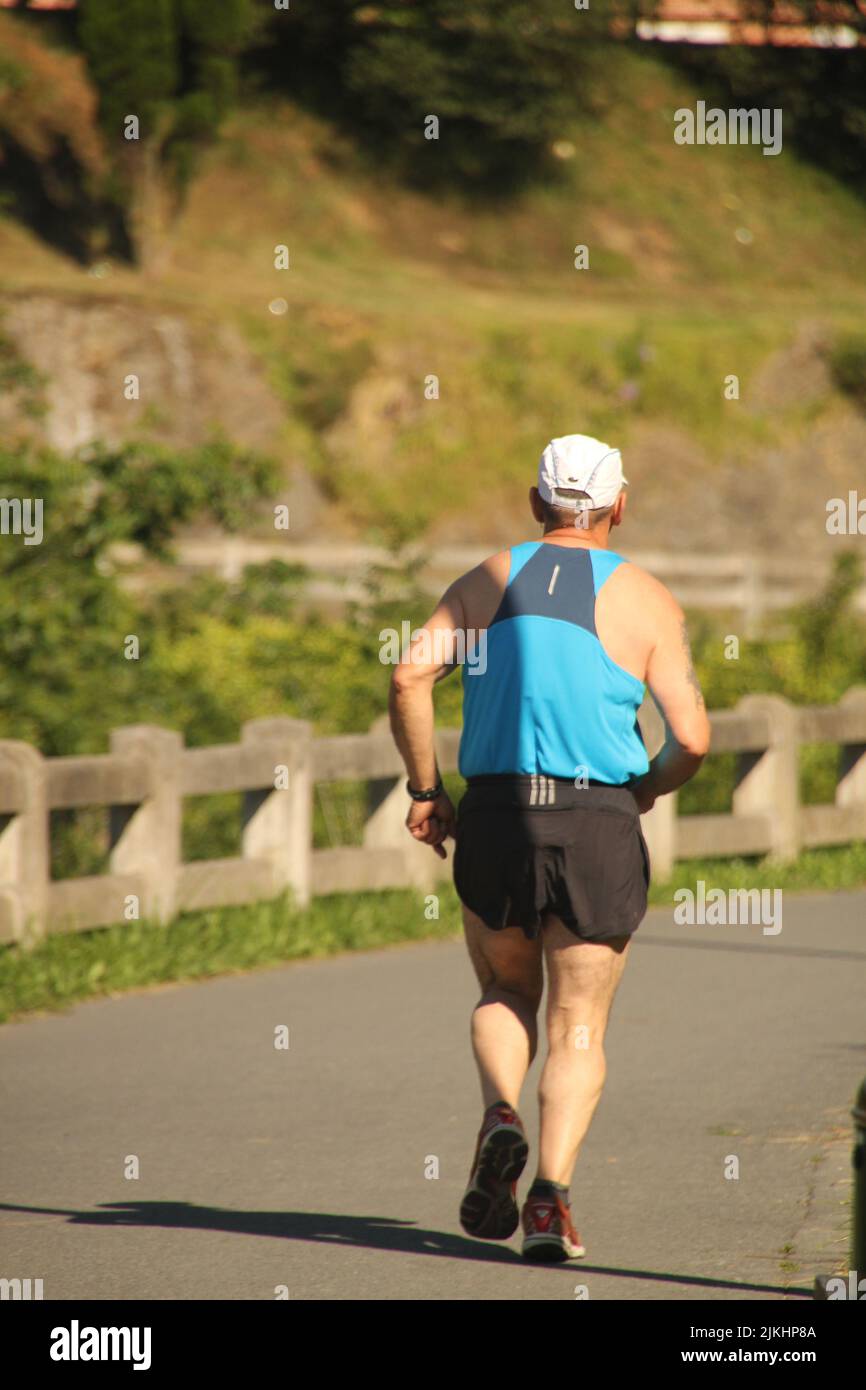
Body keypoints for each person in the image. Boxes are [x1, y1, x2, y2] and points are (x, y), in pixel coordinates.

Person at [388, 433, 711, 1262]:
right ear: (619, 506)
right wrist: (644, 789)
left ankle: (501, 1112)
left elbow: (409, 676)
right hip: (597, 819)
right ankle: (548, 1203)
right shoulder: (647, 598)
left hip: (497, 811)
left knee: (505, 987)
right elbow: (693, 739)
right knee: (578, 1027)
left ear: (536, 502)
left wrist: (427, 791)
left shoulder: (487, 579)